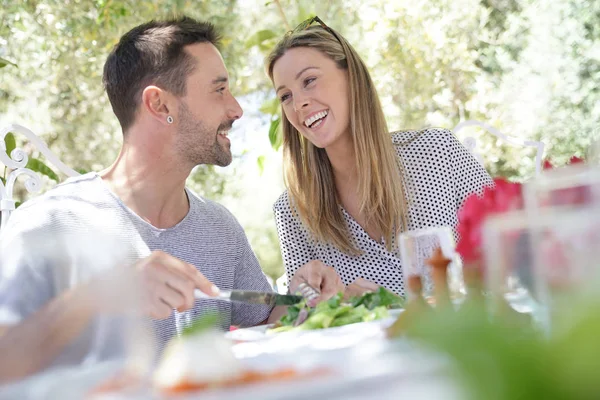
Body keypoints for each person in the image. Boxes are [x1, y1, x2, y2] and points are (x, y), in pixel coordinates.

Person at [0, 16, 343, 383]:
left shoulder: (220, 229)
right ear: (160, 105)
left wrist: (303, 296)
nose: (237, 109)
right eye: (219, 90)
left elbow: (265, 321)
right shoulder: (47, 224)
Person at [266, 16, 494, 299]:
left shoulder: (438, 153)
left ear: (351, 77)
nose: (298, 103)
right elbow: (302, 317)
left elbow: (513, 246)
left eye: (309, 81)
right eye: (285, 96)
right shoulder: (292, 212)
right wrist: (325, 305)